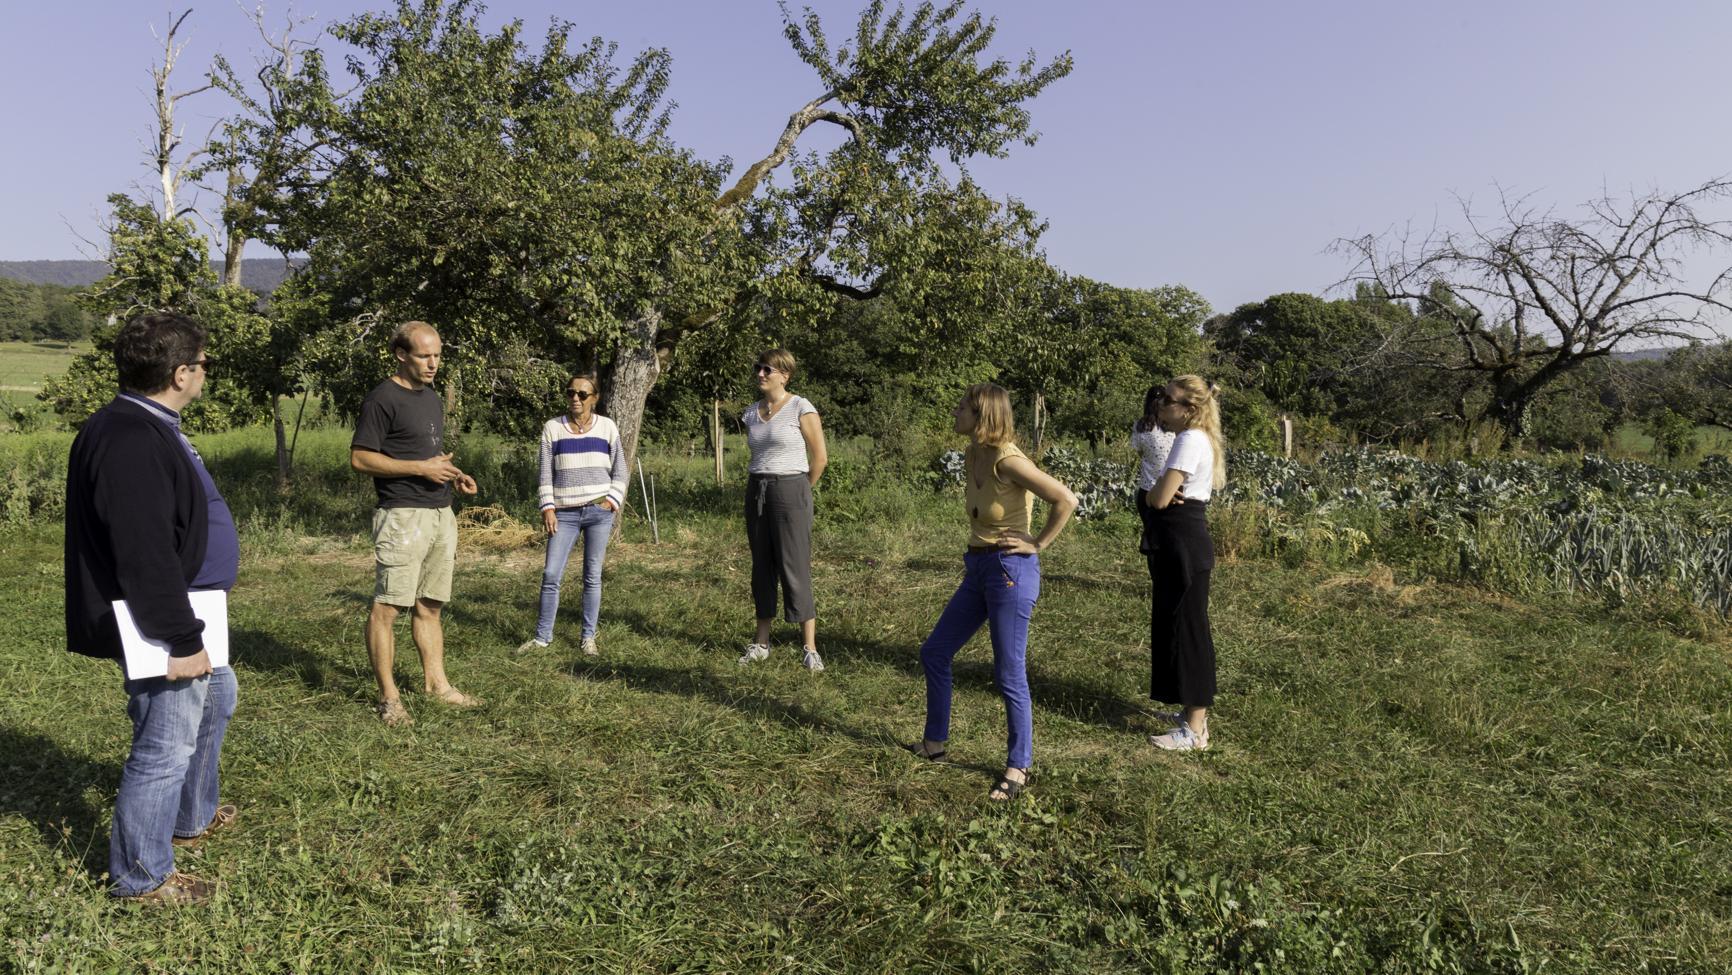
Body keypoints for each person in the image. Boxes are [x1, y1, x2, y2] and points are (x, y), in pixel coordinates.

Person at [64, 311, 240, 905]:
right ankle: (141, 877)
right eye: (204, 365)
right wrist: (181, 637)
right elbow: (142, 552)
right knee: (165, 743)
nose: (206, 374)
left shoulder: (145, 424)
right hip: (166, 619)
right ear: (180, 372)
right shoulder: (129, 437)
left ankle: (190, 821)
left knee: (217, 700)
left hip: (193, 608)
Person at [905, 383, 1078, 801]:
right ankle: (935, 743)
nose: (955, 409)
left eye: (962, 406)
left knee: (1008, 672)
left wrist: (1036, 543)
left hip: (1009, 571)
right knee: (935, 652)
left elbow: (1065, 500)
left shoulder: (1009, 459)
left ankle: (1018, 767)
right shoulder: (972, 453)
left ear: (983, 414)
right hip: (978, 567)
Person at [350, 321, 480, 726]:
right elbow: (360, 458)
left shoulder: (432, 398)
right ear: (401, 355)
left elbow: (427, 455)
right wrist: (419, 469)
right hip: (402, 516)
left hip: (441, 513)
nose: (433, 363)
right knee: (388, 607)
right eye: (425, 355)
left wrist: (452, 474)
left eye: (437, 355)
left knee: (430, 605)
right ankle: (389, 698)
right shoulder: (382, 398)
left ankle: (436, 685)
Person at [1143, 375, 1226, 752]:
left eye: (1170, 400)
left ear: (1190, 410)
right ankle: (1189, 715)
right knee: (1179, 624)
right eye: (1162, 397)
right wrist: (1159, 491)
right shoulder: (1192, 439)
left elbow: (1159, 500)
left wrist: (1155, 493)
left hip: (1184, 544)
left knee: (1190, 630)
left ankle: (1195, 730)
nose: (1161, 405)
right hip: (1180, 542)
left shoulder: (1190, 439)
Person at [517, 374, 627, 657]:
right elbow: (544, 472)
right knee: (551, 573)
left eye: (582, 394)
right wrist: (548, 507)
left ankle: (588, 637)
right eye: (570, 393)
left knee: (592, 576)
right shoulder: (552, 428)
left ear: (595, 398)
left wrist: (612, 501)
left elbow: (621, 470)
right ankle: (543, 637)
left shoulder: (607, 427)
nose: (575, 398)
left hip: (598, 513)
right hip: (563, 514)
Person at [737, 348, 829, 671]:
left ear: (784, 375)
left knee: (795, 565)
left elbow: (819, 458)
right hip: (757, 490)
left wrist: (802, 491)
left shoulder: (800, 407)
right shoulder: (751, 413)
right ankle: (762, 643)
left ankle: (810, 647)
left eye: (767, 369)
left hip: (791, 489)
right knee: (761, 566)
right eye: (758, 367)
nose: (760, 374)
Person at [1132, 384, 1177, 555]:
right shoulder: (1173, 427)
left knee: (1151, 540)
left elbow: (1139, 451)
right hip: (1169, 489)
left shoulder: (1140, 426)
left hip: (1146, 489)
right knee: (1168, 540)